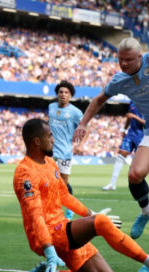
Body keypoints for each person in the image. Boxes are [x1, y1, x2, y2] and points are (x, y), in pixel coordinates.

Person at [73, 17, 149, 272]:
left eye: (130, 60)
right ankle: (145, 211)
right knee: (134, 174)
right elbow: (98, 100)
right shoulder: (119, 80)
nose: (125, 64)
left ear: (140, 56)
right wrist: (83, 123)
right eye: (121, 60)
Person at [13, 118, 149, 272]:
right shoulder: (26, 174)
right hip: (47, 236)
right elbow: (36, 217)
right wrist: (49, 251)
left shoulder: (49, 162)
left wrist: (91, 213)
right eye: (49, 136)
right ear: (37, 141)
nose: (53, 140)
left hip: (61, 228)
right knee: (100, 222)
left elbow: (64, 195)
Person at [48, 80, 84, 220]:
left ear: (70, 95)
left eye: (66, 92)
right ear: (57, 94)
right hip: (50, 152)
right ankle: (53, 209)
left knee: (63, 184)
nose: (63, 94)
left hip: (65, 153)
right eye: (61, 92)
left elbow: (86, 128)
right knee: (49, 181)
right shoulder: (51, 107)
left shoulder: (75, 112)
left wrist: (80, 145)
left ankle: (70, 209)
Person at [102, 101, 145, 191]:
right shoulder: (132, 102)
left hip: (142, 135)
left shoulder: (147, 103)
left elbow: (147, 123)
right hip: (131, 133)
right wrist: (124, 129)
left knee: (138, 162)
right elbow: (129, 117)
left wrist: (134, 117)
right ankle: (112, 184)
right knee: (120, 156)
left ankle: (137, 186)